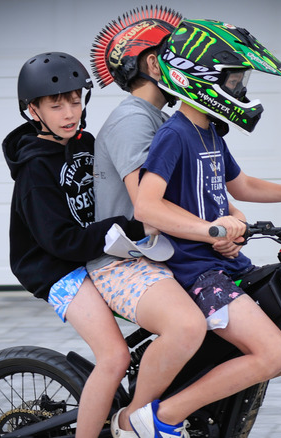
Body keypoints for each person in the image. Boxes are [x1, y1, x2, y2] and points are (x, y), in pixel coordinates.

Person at [132, 19, 281, 438]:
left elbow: (243, 185)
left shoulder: (210, 131)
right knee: (272, 352)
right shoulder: (174, 135)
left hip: (226, 266)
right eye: (233, 79)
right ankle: (161, 418)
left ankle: (213, 392)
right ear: (200, 78)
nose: (239, 89)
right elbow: (146, 205)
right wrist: (211, 232)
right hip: (197, 273)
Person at [88, 7, 221, 438]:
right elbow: (146, 207)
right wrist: (210, 232)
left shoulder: (160, 118)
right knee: (187, 326)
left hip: (158, 255)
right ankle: (137, 424)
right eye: (178, 57)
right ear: (152, 63)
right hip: (123, 262)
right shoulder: (131, 119)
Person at [3, 51, 146, 438]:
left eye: (75, 100)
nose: (69, 112)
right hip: (57, 266)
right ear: (33, 110)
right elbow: (60, 241)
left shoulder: (85, 142)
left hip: (95, 251)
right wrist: (125, 226)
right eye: (56, 104)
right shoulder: (34, 169)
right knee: (114, 357)